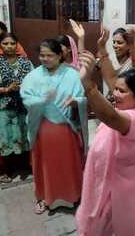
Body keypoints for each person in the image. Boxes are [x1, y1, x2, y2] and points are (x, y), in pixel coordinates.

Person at [75, 50, 135, 236]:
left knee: (125, 227)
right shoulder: (127, 107)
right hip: (112, 182)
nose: (115, 93)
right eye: (116, 89)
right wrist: (100, 49)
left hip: (124, 188)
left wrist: (88, 85)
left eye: (122, 91)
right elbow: (111, 79)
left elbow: (108, 116)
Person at [20, 39, 89, 214]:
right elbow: (26, 98)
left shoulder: (72, 74)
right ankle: (44, 197)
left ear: (60, 55)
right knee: (44, 167)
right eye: (42, 55)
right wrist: (42, 101)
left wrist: (77, 102)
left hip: (66, 130)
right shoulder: (33, 76)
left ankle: (73, 195)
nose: (45, 59)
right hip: (42, 130)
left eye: (49, 55)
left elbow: (82, 97)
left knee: (68, 165)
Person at [0, 32, 34, 183]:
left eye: (12, 43)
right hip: (2, 109)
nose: (9, 46)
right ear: (0, 45)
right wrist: (6, 89)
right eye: (5, 43)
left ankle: (27, 165)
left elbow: (35, 80)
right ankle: (4, 170)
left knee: (25, 135)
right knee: (4, 137)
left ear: (17, 45)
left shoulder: (26, 63)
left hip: (23, 107)